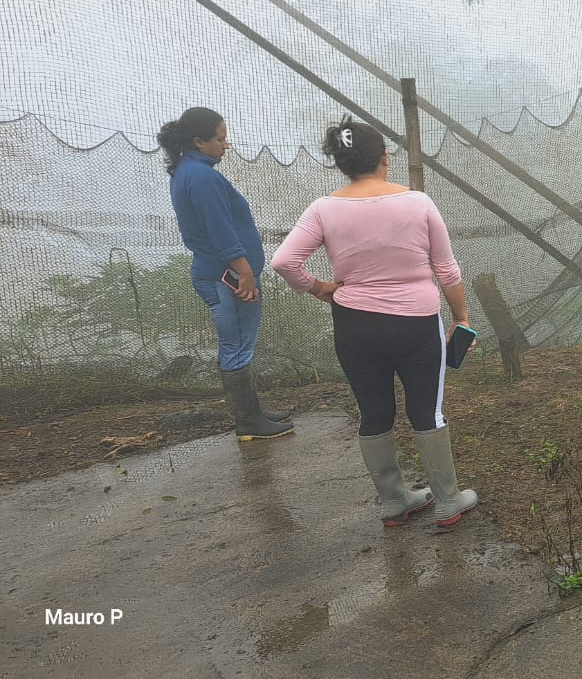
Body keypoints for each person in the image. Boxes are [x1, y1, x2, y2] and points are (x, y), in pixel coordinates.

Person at [270, 118, 477, 528]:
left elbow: (284, 261)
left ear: (341, 163)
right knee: (427, 411)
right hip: (416, 325)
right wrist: (461, 317)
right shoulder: (418, 202)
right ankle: (448, 500)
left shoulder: (323, 208)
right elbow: (447, 270)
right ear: (385, 157)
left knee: (374, 410)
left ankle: (393, 501)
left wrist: (319, 288)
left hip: (355, 326)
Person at [160, 107, 294, 441]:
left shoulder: (189, 171)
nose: (226, 145)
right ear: (198, 141)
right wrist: (244, 271)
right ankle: (248, 423)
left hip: (219, 273)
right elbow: (219, 228)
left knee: (237, 344)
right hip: (226, 276)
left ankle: (252, 414)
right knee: (237, 345)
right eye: (220, 139)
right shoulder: (202, 177)